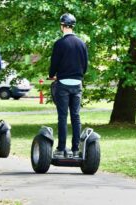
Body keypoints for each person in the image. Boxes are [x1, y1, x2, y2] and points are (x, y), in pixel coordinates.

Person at [49, 13, 88, 158]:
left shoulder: (60, 44)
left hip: (63, 84)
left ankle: (61, 148)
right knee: (76, 116)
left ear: (62, 26)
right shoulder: (81, 43)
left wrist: (52, 74)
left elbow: (54, 64)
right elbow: (85, 66)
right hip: (77, 83)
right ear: (72, 26)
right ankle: (76, 149)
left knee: (63, 116)